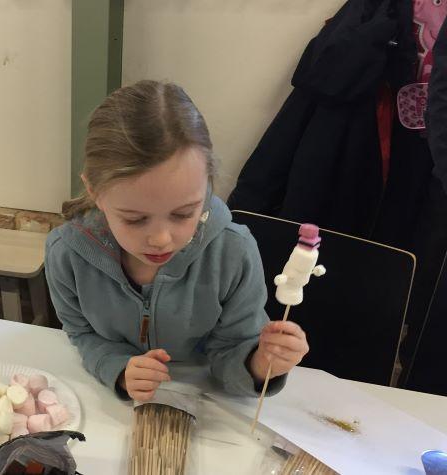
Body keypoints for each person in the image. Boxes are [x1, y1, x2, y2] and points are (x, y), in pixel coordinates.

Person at [45, 80, 309, 401]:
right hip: (109, 404)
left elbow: (234, 346)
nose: (161, 239)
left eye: (183, 214)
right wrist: (116, 366)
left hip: (206, 400)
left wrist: (260, 363)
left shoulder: (233, 252)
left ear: (207, 185)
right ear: (94, 191)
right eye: (135, 218)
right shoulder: (66, 254)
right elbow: (82, 332)